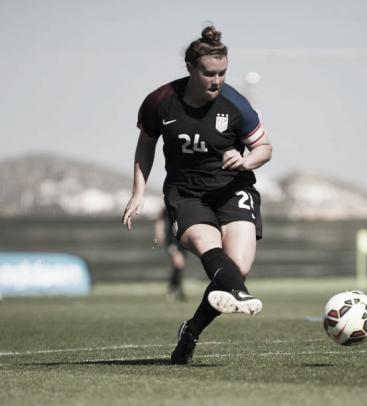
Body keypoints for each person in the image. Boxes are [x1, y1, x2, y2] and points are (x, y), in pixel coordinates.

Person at [122, 25, 272, 364]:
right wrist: (137, 192)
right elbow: (146, 144)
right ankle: (238, 292)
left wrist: (246, 159)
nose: (216, 80)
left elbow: (265, 147)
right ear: (191, 67)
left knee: (238, 266)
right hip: (186, 194)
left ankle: (191, 330)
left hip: (233, 189)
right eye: (209, 73)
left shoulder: (236, 104)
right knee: (209, 247)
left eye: (222, 73)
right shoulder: (160, 102)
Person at [154, 208, 187, 302]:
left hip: (182, 238)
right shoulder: (168, 204)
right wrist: (159, 234)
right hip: (172, 239)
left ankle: (175, 288)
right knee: (178, 263)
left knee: (180, 265)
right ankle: (174, 289)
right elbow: (159, 219)